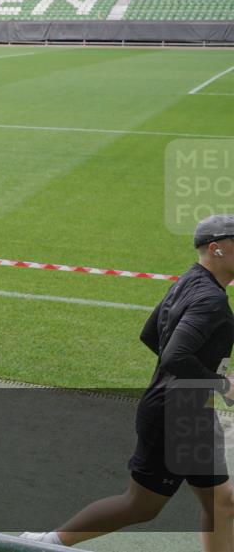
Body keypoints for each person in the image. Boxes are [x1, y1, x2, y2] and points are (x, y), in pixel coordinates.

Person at [23, 214, 234, 550]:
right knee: (143, 505)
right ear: (216, 248)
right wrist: (221, 384)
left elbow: (151, 334)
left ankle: (47, 542)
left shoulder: (189, 282)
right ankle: (47, 543)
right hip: (178, 416)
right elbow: (174, 357)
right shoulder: (210, 299)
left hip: (185, 410)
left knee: (220, 503)